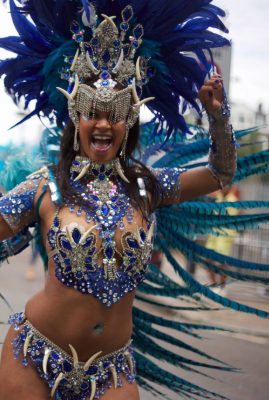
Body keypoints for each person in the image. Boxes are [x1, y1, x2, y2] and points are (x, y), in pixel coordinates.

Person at [0, 1, 260, 399]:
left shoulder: (147, 187)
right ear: (76, 117)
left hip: (113, 369)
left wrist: (218, 116)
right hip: (34, 356)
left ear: (129, 121)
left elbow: (219, 174)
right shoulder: (46, 185)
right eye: (92, 112)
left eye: (116, 113)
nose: (103, 123)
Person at [205, 186, 240, 293]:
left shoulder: (233, 200)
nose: (222, 188)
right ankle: (214, 283)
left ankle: (222, 286)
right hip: (214, 235)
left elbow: (229, 218)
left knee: (222, 263)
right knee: (207, 260)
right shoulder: (218, 197)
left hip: (225, 236)